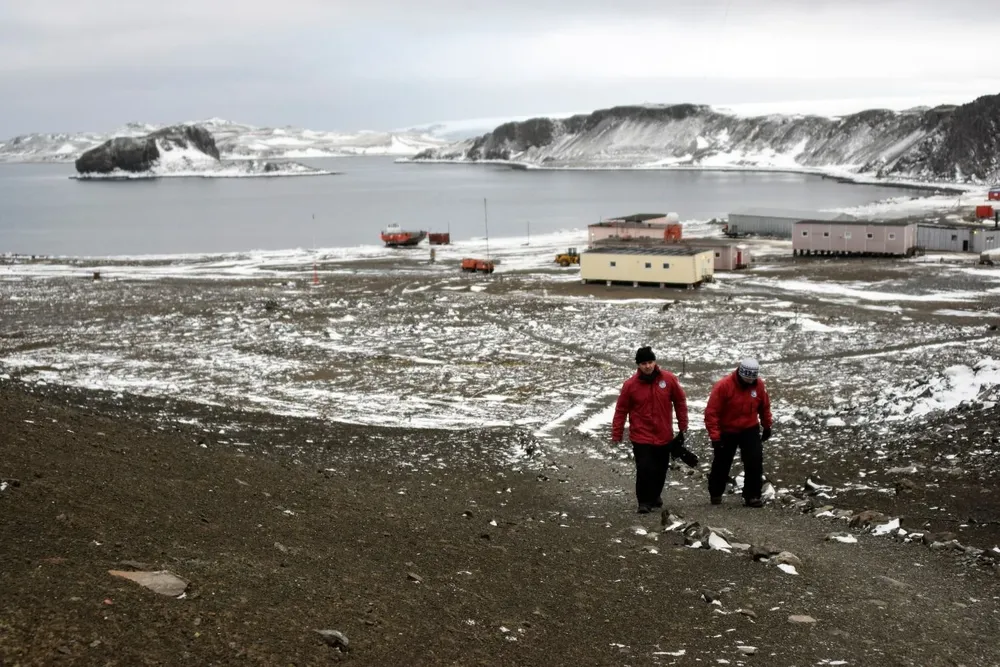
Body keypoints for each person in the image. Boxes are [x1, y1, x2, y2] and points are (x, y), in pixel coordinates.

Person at [611, 346, 689, 514]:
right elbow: (621, 410)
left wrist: (683, 425)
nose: (647, 366)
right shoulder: (630, 385)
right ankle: (644, 501)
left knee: (660, 469)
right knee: (645, 468)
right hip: (641, 436)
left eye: (650, 362)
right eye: (643, 363)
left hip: (663, 434)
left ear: (655, 362)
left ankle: (655, 496)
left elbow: (680, 402)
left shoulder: (669, 380)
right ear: (638, 365)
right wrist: (617, 433)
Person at [704, 358, 773, 507]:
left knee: (754, 460)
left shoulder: (759, 385)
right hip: (727, 430)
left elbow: (764, 406)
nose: (749, 381)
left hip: (749, 428)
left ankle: (752, 495)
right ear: (741, 373)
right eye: (746, 378)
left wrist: (767, 426)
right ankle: (715, 492)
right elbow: (711, 413)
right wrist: (715, 437)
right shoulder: (724, 386)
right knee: (722, 462)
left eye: (752, 378)